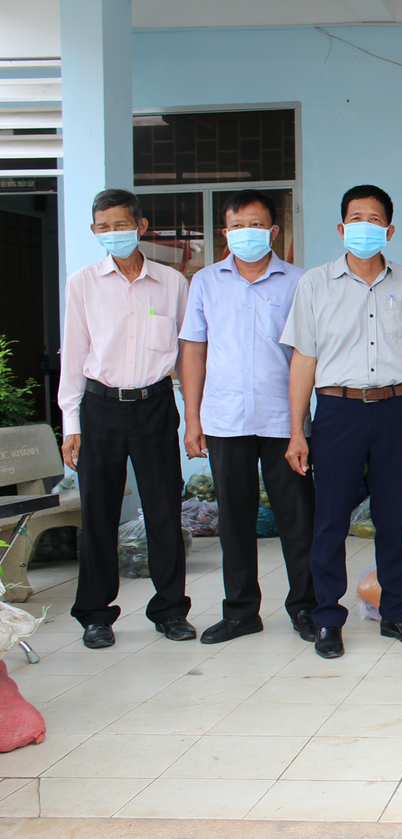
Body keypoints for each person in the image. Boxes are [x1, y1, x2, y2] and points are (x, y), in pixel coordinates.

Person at [280, 184, 402, 659]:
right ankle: (328, 618)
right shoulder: (314, 284)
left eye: (374, 219)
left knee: (393, 519)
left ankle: (396, 612)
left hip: (395, 411)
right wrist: (298, 429)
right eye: (356, 218)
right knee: (329, 519)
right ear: (341, 227)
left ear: (389, 230)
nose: (365, 227)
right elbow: (303, 360)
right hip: (338, 411)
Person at [180, 189, 318, 645]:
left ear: (274, 231)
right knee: (234, 521)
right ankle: (241, 612)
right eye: (237, 227)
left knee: (296, 519)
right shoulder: (205, 282)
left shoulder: (299, 282)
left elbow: (306, 354)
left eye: (255, 226)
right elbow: (195, 351)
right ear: (225, 232)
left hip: (283, 421)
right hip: (224, 420)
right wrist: (193, 420)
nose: (246, 234)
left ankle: (305, 607)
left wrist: (300, 426)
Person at [59, 188, 195, 649]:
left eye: (120, 224)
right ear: (95, 231)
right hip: (100, 409)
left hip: (156, 406)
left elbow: (186, 354)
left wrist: (194, 413)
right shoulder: (82, 284)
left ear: (140, 226)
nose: (112, 233)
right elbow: (73, 356)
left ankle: (170, 610)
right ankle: (96, 614)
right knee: (98, 513)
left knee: (163, 511)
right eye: (103, 227)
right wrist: (71, 423)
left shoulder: (172, 283)